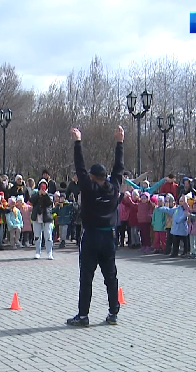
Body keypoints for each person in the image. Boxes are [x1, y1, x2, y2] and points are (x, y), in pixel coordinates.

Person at [66, 126, 124, 327]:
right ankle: (113, 313)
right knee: (110, 276)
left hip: (91, 237)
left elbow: (80, 167)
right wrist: (119, 143)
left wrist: (78, 142)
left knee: (86, 277)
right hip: (109, 237)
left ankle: (83, 316)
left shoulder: (89, 189)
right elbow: (119, 169)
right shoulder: (114, 189)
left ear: (92, 177)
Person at [30, 180, 54, 259]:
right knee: (37, 236)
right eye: (41, 186)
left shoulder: (49, 195)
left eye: (44, 187)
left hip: (46, 218)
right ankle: (37, 252)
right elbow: (31, 201)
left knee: (48, 235)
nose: (42, 188)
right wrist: (38, 195)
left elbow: (50, 203)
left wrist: (45, 195)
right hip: (37, 217)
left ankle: (49, 252)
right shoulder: (35, 194)